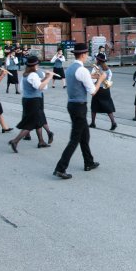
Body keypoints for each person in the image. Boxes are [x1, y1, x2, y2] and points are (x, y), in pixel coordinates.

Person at [53, 43, 106, 180]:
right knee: (75, 139)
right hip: (79, 106)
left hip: (72, 104)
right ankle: (60, 167)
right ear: (83, 54)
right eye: (87, 54)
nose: (87, 56)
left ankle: (88, 162)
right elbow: (93, 91)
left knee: (84, 136)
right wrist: (100, 79)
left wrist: (92, 77)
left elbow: (81, 80)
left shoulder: (71, 68)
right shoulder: (81, 70)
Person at [7, 56, 54, 152]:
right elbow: (40, 87)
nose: (38, 66)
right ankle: (15, 141)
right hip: (33, 101)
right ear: (34, 65)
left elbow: (35, 84)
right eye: (37, 64)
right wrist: (49, 77)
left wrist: (45, 77)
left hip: (27, 100)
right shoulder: (33, 75)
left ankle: (41, 141)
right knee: (31, 124)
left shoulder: (26, 74)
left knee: (37, 122)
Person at [90, 53, 117, 130]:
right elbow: (109, 79)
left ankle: (93, 123)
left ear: (98, 60)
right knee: (107, 106)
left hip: (98, 89)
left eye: (96, 59)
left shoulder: (96, 68)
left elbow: (93, 79)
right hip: (106, 89)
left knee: (94, 106)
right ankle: (113, 122)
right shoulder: (108, 69)